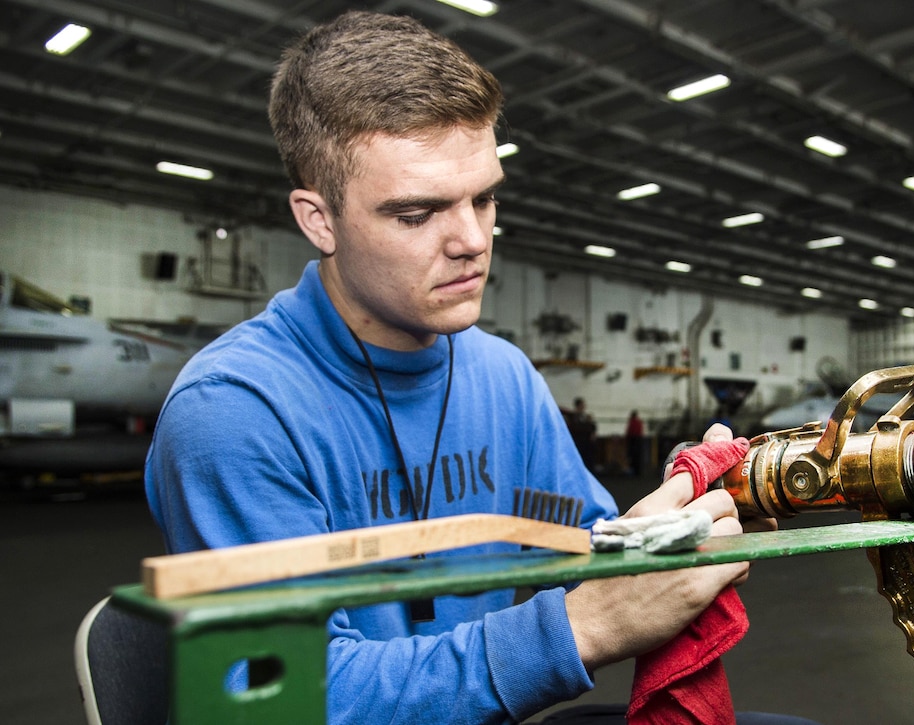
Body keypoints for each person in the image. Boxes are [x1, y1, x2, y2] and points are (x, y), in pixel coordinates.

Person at [145, 11, 813, 725]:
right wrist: (581, 628)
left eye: (485, 197)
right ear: (319, 219)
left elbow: (581, 543)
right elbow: (285, 700)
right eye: (416, 213)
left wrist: (664, 523)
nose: (471, 240)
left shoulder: (504, 377)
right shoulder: (235, 411)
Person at [625, 409, 645, 475]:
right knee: (638, 456)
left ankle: (633, 470)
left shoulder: (632, 422)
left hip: (633, 439)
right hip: (638, 440)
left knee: (632, 455)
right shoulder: (639, 422)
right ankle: (638, 471)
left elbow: (629, 431)